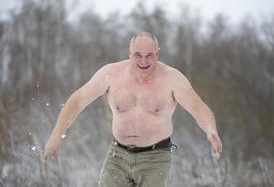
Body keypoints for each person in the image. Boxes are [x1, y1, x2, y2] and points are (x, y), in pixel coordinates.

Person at [43, 31, 222, 187]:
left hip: (156, 158)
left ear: (157, 54)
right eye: (138, 55)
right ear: (129, 53)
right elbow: (78, 100)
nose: (143, 61)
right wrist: (55, 135)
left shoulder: (172, 79)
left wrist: (210, 129)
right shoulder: (111, 74)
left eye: (149, 55)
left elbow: (197, 107)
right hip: (118, 155)